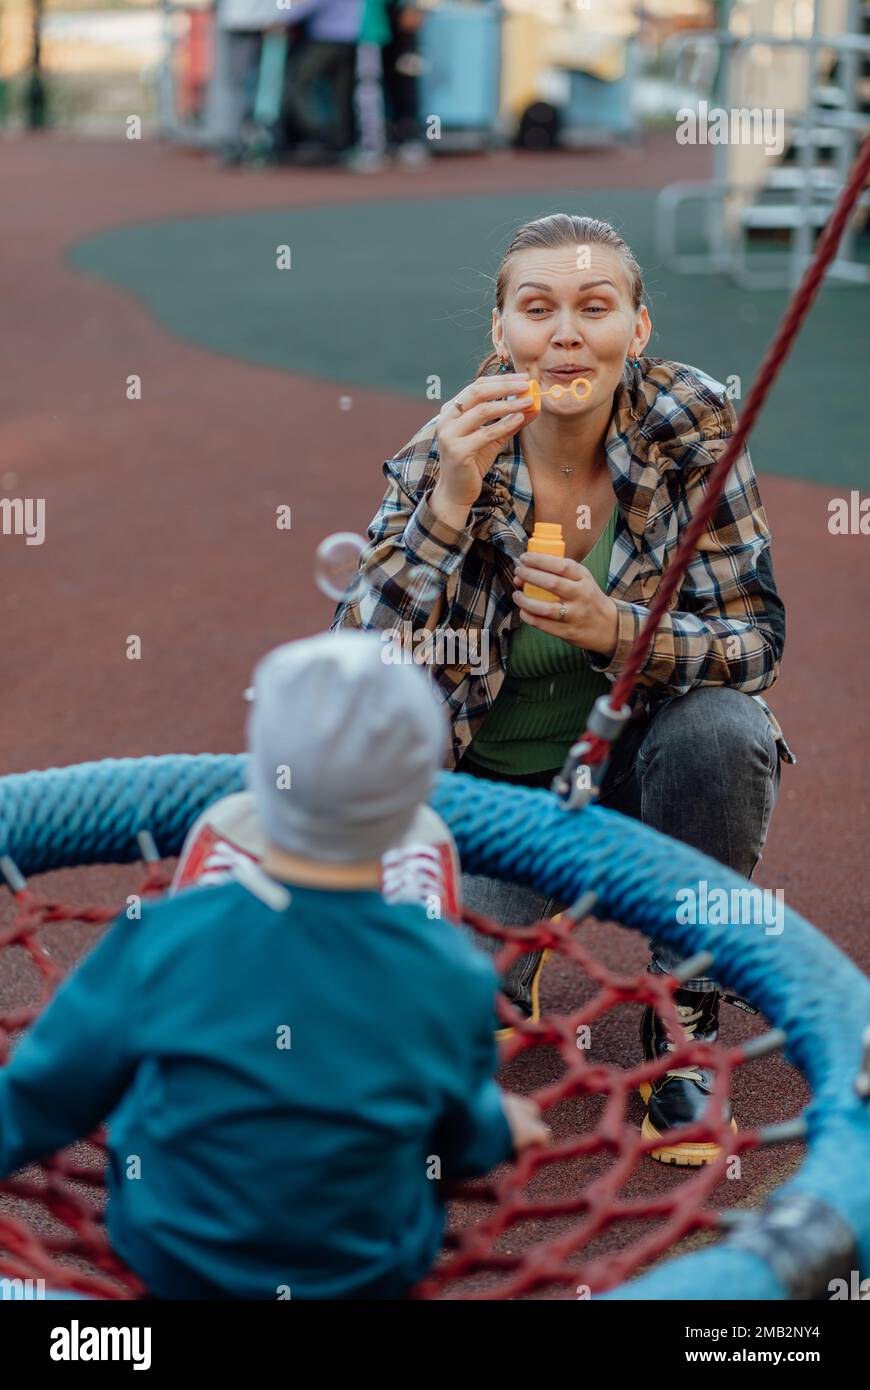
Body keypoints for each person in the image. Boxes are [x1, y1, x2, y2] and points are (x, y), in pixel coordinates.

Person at [331, 212, 796, 1166]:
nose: (567, 333)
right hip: (490, 802)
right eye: (537, 308)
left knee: (725, 728)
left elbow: (756, 643)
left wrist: (613, 630)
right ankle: (516, 941)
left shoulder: (693, 425)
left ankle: (684, 1013)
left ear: (640, 327)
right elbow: (352, 668)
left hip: (628, 781)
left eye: (596, 306)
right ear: (502, 332)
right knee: (441, 1013)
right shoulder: (450, 446)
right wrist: (450, 504)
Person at [0, 633, 548, 1298]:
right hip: (366, 1272)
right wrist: (500, 1127)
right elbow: (454, 1137)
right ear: (418, 803)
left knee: (166, 1058)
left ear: (262, 777)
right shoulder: (452, 972)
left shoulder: (166, 934)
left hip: (172, 1251)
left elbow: (50, 1090)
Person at [279, 0, 365, 164]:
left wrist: (282, 15)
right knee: (342, 93)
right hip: (351, 37)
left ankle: (316, 133)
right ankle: (341, 142)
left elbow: (309, 4)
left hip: (327, 38)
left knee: (298, 83)